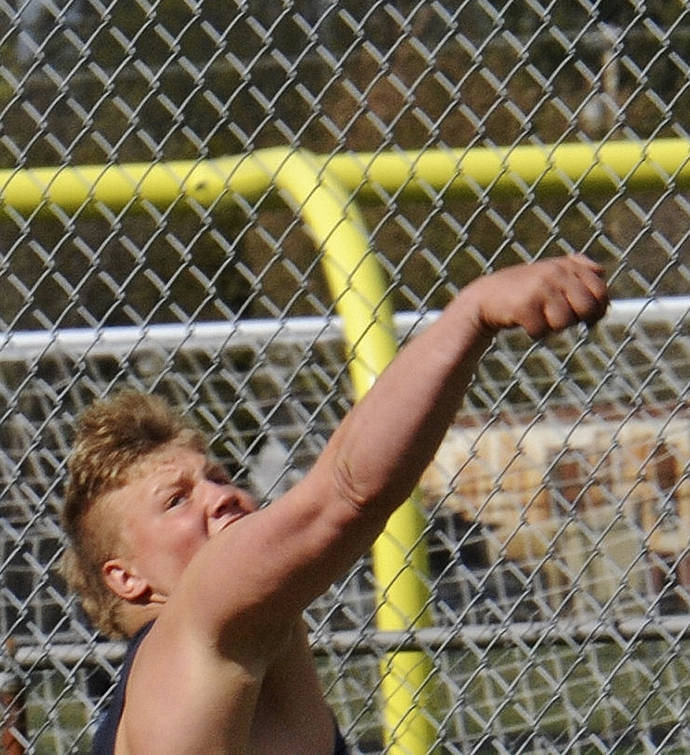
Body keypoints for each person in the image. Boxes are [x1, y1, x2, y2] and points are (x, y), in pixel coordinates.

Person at [61, 254, 609, 755]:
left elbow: (342, 481)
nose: (222, 496)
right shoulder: (193, 631)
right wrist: (472, 314)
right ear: (126, 578)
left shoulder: (257, 651)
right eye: (177, 500)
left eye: (219, 476)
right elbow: (345, 495)